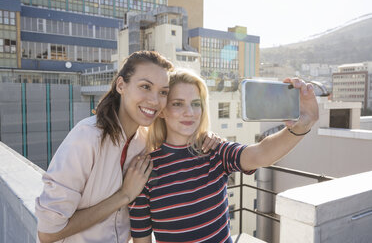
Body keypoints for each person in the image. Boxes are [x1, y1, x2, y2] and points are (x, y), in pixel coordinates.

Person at [35, 51, 220, 243]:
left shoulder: (147, 140)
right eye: (145, 87)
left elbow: (181, 137)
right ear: (121, 85)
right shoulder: (86, 137)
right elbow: (48, 233)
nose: (155, 101)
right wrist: (124, 195)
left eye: (163, 92)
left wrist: (206, 137)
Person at [129, 70, 319, 243]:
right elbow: (142, 239)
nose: (190, 112)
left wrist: (303, 125)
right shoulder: (145, 169)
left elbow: (260, 154)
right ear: (162, 110)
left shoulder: (215, 151)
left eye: (196, 104)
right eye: (178, 104)